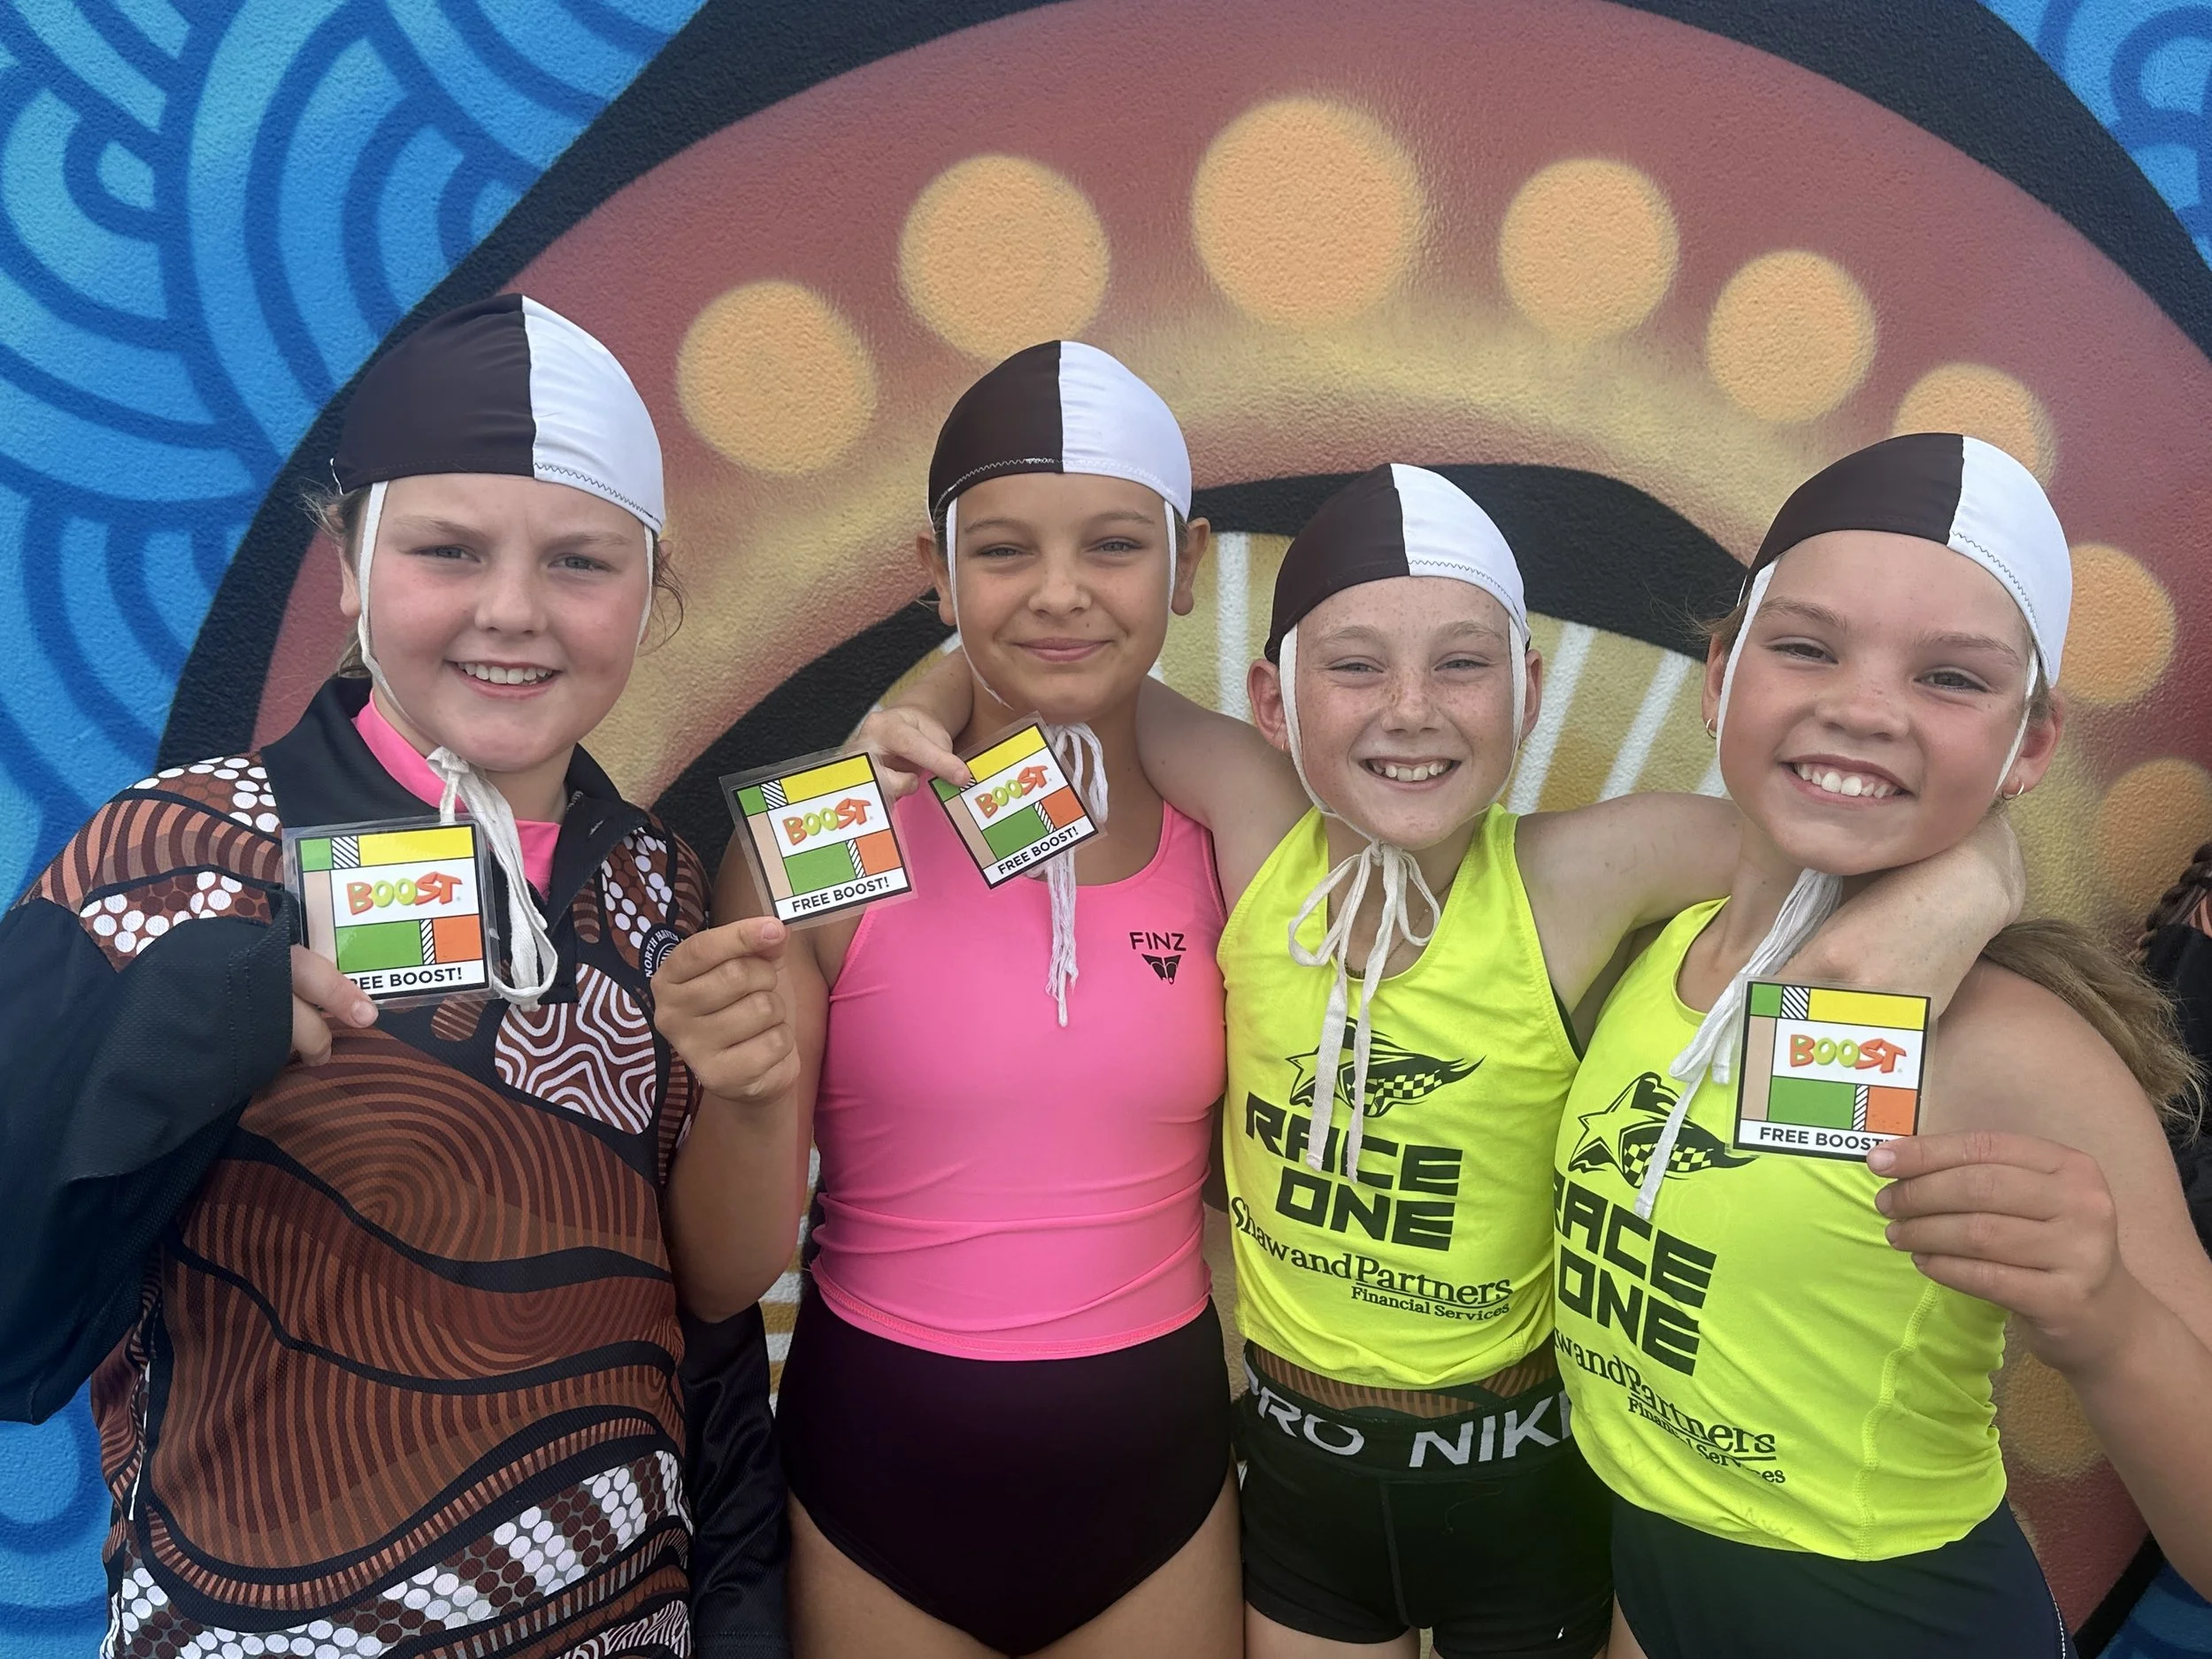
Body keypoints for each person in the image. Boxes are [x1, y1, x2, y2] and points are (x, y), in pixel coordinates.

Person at [872, 461, 2018, 1658]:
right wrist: (922, 692)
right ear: (1274, 701)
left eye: (1462, 665)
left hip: (1522, 1495)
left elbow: (1843, 810)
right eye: (1355, 666)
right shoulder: (1262, 830)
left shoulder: (1576, 876)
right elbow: (1070, 671)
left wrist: (1983, 868)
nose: (1409, 708)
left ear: (1527, 688)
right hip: (1302, 1489)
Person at [0, 296, 799, 1658]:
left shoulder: (655, 885)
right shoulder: (172, 851)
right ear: (352, 565)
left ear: (652, 586)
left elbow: (697, 1330)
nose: (513, 612)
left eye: (581, 563)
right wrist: (197, 1022)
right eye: (447, 550)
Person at [1548, 433, 2212, 1659]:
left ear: (2031, 744)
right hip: (1655, 1585)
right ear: (1719, 673)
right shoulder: (1668, 946)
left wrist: (2108, 1323)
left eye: (1950, 680)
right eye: (1806, 646)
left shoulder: (2012, 1048)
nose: (1860, 706)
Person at [658, 341, 1242, 1658]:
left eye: (1111, 546)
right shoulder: (823, 842)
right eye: (1000, 552)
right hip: (878, 1486)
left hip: (1157, 1491)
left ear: (1187, 565)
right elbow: (721, 1266)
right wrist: (748, 1094)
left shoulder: (1240, 831)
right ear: (933, 570)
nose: (1058, 594)